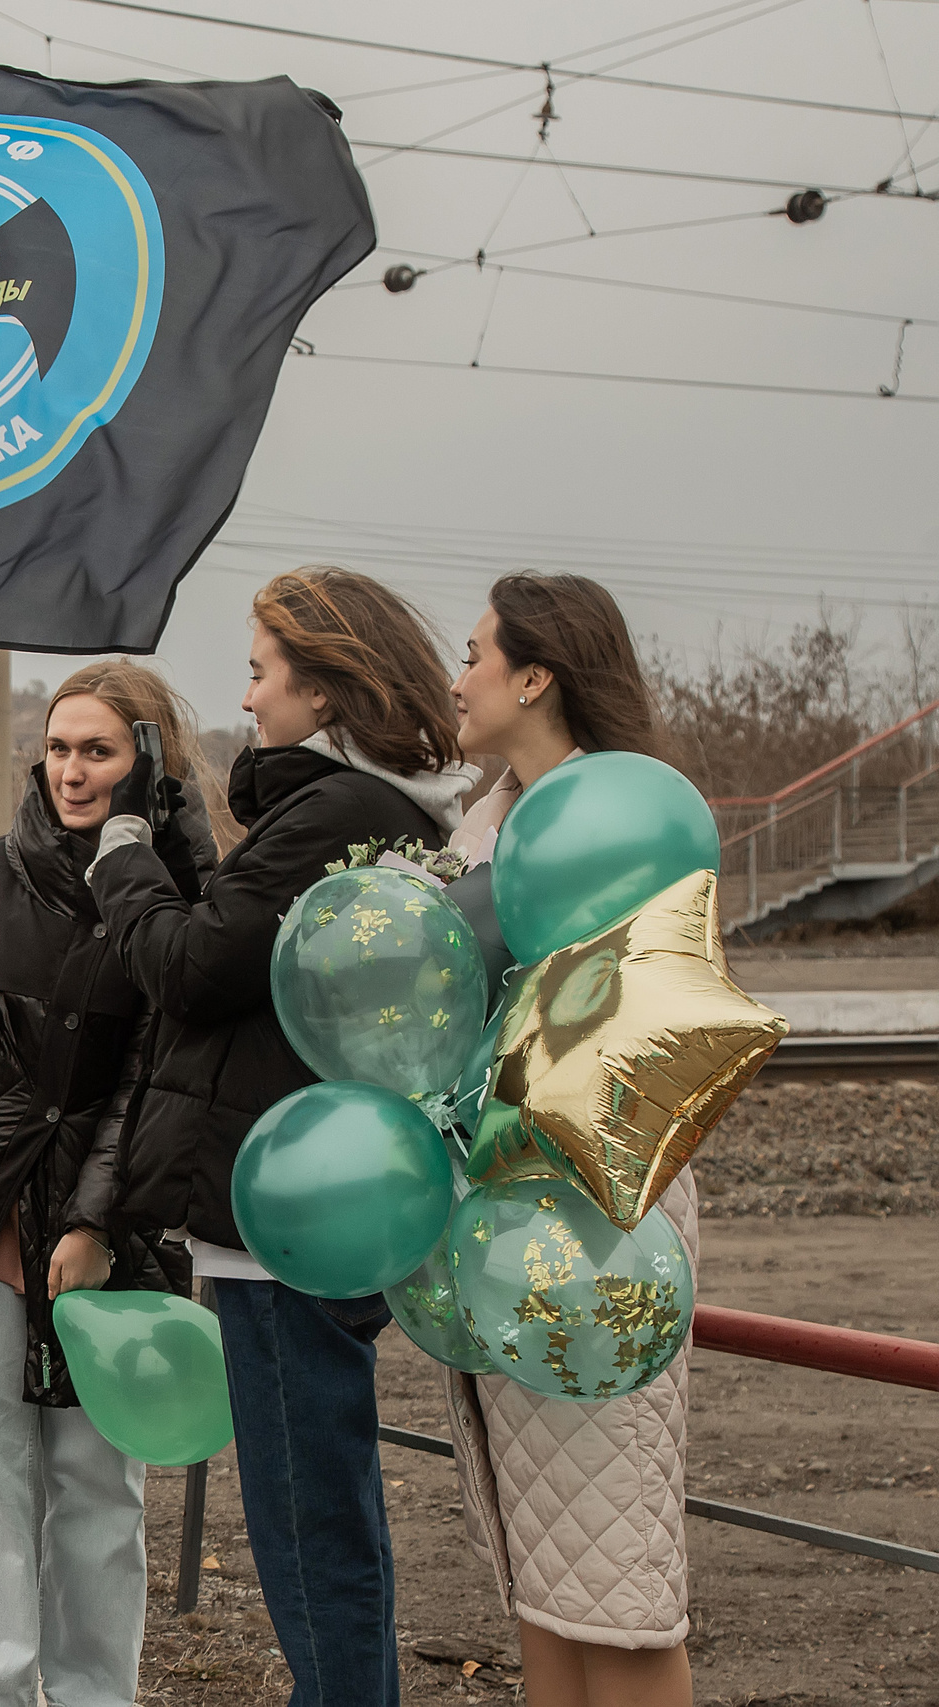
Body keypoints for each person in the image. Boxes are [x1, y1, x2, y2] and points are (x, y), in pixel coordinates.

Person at [84, 568, 478, 1707]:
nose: (247, 702)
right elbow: (245, 943)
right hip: (295, 1207)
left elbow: (195, 966)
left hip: (285, 1229)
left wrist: (122, 859)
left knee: (307, 1528)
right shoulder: (354, 812)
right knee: (310, 1517)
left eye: (261, 675)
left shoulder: (343, 813)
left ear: (326, 687)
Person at [0, 662, 214, 1707]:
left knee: (95, 1491)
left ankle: (89, 1696)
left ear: (148, 761)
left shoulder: (181, 893)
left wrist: (94, 1223)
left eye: (99, 752)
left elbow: (158, 1073)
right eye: (59, 747)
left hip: (110, 1226)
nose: (71, 772)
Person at [445, 574, 697, 1707]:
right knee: (542, 1566)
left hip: (602, 1215)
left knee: (619, 1581)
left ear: (534, 675)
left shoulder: (627, 821)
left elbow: (658, 1032)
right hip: (496, 1205)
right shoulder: (483, 825)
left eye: (473, 655)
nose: (456, 681)